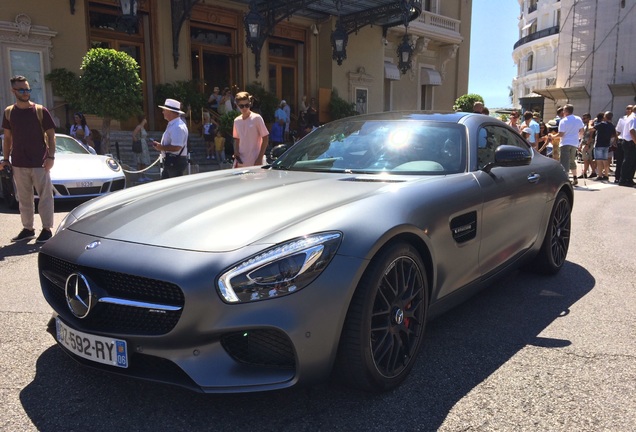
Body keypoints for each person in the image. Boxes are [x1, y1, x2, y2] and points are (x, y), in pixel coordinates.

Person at [1, 75, 56, 243]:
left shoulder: (40, 110)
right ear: (13, 91)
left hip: (40, 162)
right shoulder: (9, 112)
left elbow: (51, 136)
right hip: (18, 162)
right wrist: (5, 159)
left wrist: (51, 157)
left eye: (28, 89)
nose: (26, 93)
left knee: (45, 197)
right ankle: (28, 228)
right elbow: (7, 138)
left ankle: (46, 229)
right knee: (24, 199)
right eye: (22, 90)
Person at [152, 98, 188, 179]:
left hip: (175, 162)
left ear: (170, 112)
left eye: (164, 110)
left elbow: (177, 147)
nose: (163, 112)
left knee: (173, 189)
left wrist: (161, 147)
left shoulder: (177, 127)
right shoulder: (174, 125)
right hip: (172, 161)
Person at [232, 91, 269, 168]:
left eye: (247, 105)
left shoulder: (257, 118)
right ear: (237, 106)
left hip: (255, 162)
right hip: (241, 162)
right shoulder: (236, 121)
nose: (245, 108)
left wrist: (259, 158)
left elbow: (265, 138)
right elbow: (236, 139)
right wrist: (236, 151)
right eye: (241, 106)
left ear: (250, 104)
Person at [558, 104, 585, 185]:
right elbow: (582, 131)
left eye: (563, 110)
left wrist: (552, 136)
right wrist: (579, 138)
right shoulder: (578, 118)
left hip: (565, 142)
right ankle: (574, 177)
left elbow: (561, 134)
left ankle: (565, 179)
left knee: (564, 161)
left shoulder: (563, 120)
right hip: (574, 142)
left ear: (566, 111)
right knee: (572, 160)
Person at [592, 111, 616, 181]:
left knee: (599, 160)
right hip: (606, 144)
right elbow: (614, 134)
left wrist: (591, 123)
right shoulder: (611, 125)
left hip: (599, 144)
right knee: (605, 160)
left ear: (605, 116)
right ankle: (606, 175)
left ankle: (600, 175)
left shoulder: (602, 124)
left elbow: (592, 129)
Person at [614, 105, 632, 184]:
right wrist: (615, 140)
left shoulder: (633, 118)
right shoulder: (622, 119)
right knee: (620, 160)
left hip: (630, 141)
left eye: (630, 109)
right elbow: (618, 131)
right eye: (627, 108)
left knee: (628, 161)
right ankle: (617, 177)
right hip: (621, 140)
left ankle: (627, 178)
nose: (628, 110)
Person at [619, 105, 636, 187]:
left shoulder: (631, 117)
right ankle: (624, 179)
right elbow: (632, 131)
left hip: (630, 142)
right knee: (628, 162)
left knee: (632, 162)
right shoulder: (633, 118)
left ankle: (629, 179)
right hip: (630, 142)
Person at [132, 114, 151, 180]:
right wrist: (137, 142)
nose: (146, 120)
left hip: (144, 144)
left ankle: (144, 175)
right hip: (140, 144)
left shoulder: (143, 127)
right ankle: (140, 176)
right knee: (140, 161)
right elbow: (133, 135)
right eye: (145, 119)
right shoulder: (139, 127)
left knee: (144, 161)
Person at [578, 113, 597, 179]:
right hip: (584, 142)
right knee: (589, 159)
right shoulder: (585, 125)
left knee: (586, 159)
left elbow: (591, 136)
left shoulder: (591, 125)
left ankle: (584, 172)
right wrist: (580, 144)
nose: (583, 120)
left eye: (585, 118)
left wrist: (587, 145)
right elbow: (583, 136)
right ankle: (593, 172)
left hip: (589, 143)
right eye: (583, 118)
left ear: (589, 118)